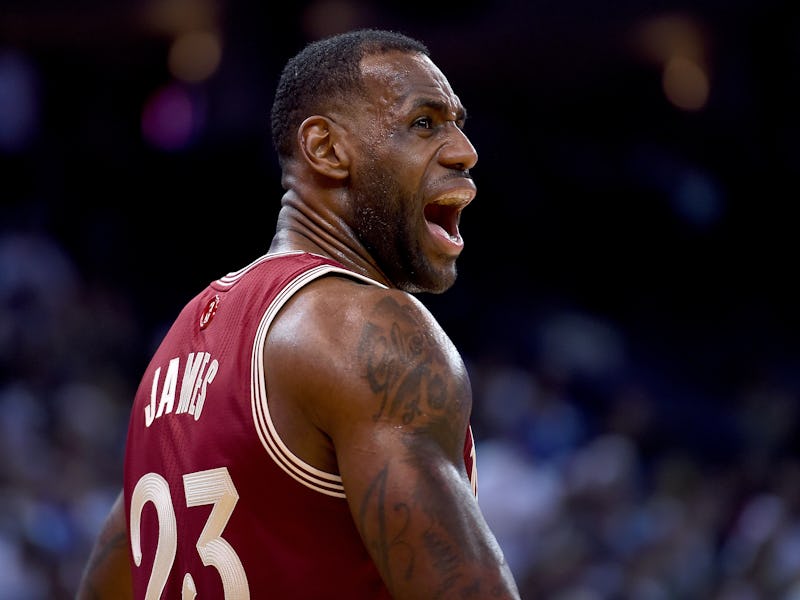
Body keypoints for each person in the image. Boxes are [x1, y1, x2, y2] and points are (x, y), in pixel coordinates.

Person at [77, 28, 521, 599]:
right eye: (424, 123)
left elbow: (104, 583)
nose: (465, 150)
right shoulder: (364, 331)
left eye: (457, 122)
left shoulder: (179, 345)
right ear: (326, 149)